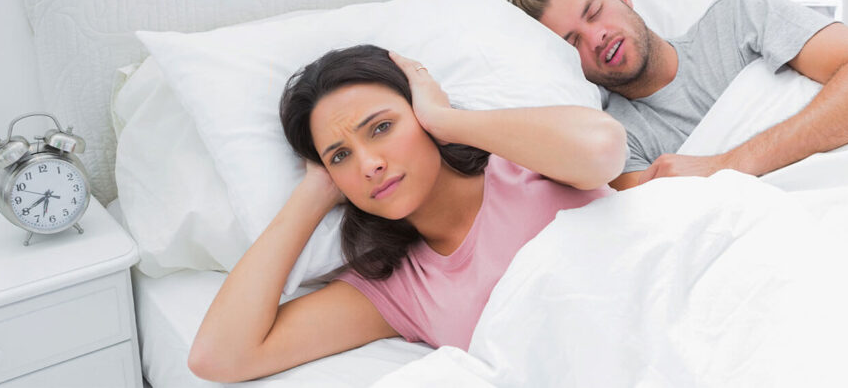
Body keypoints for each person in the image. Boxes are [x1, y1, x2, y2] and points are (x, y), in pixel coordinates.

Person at [186, 44, 627, 382]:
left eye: (382, 127)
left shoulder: (523, 162)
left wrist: (444, 118)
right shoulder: (398, 288)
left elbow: (604, 150)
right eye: (340, 156)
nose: (368, 164)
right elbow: (219, 356)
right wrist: (313, 193)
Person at [509, 0, 848, 191]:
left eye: (594, 12)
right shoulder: (616, 140)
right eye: (572, 42)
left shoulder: (737, 18)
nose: (596, 38)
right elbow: (665, 224)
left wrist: (727, 164)